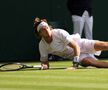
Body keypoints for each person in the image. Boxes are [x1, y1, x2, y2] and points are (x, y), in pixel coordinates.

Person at [33, 17, 108, 70]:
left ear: (49, 28)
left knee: (104, 45)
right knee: (89, 62)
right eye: (43, 29)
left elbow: (76, 46)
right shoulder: (42, 45)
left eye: (47, 27)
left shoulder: (59, 32)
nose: (46, 29)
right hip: (74, 55)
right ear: (40, 34)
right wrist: (45, 66)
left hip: (81, 44)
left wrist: (75, 64)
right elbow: (45, 63)